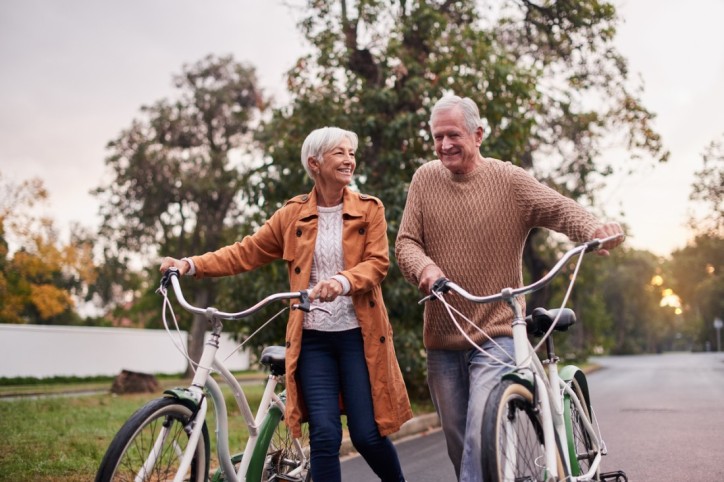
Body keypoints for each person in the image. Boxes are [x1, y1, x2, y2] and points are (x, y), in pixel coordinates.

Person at [160, 127, 411, 482]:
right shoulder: (292, 215)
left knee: (368, 435)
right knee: (323, 436)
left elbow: (378, 263)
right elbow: (245, 252)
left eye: (351, 153)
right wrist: (191, 264)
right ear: (315, 163)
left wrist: (341, 282)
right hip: (313, 340)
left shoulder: (369, 210)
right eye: (340, 153)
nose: (349, 159)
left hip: (358, 335)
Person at [395, 94, 624, 481]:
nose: (444, 144)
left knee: (482, 430)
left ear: (478, 134)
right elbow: (405, 243)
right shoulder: (425, 179)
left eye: (453, 134)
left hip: (498, 332)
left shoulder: (509, 180)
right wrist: (426, 267)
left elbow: (559, 208)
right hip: (442, 339)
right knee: (459, 445)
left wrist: (593, 229)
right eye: (437, 137)